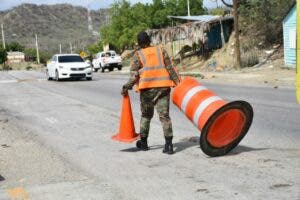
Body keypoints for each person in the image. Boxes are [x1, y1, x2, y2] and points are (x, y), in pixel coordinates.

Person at [121, 31, 180, 154]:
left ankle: (143, 144)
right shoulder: (160, 50)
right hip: (163, 88)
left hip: (147, 90)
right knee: (164, 116)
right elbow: (170, 68)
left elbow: (134, 75)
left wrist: (126, 87)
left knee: (146, 116)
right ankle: (169, 146)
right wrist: (179, 84)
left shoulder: (138, 55)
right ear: (149, 40)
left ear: (139, 43)